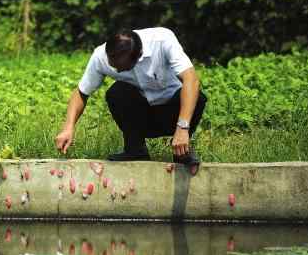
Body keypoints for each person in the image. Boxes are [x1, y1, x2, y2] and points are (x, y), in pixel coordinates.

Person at [54, 27, 207, 174]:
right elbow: (81, 93)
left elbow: (191, 79)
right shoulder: (100, 56)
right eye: (114, 67)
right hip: (142, 118)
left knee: (197, 97)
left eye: (122, 68)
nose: (117, 71)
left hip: (174, 115)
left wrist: (182, 128)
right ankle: (135, 150)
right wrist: (68, 127)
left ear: (138, 55)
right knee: (117, 91)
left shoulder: (162, 40)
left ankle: (181, 152)